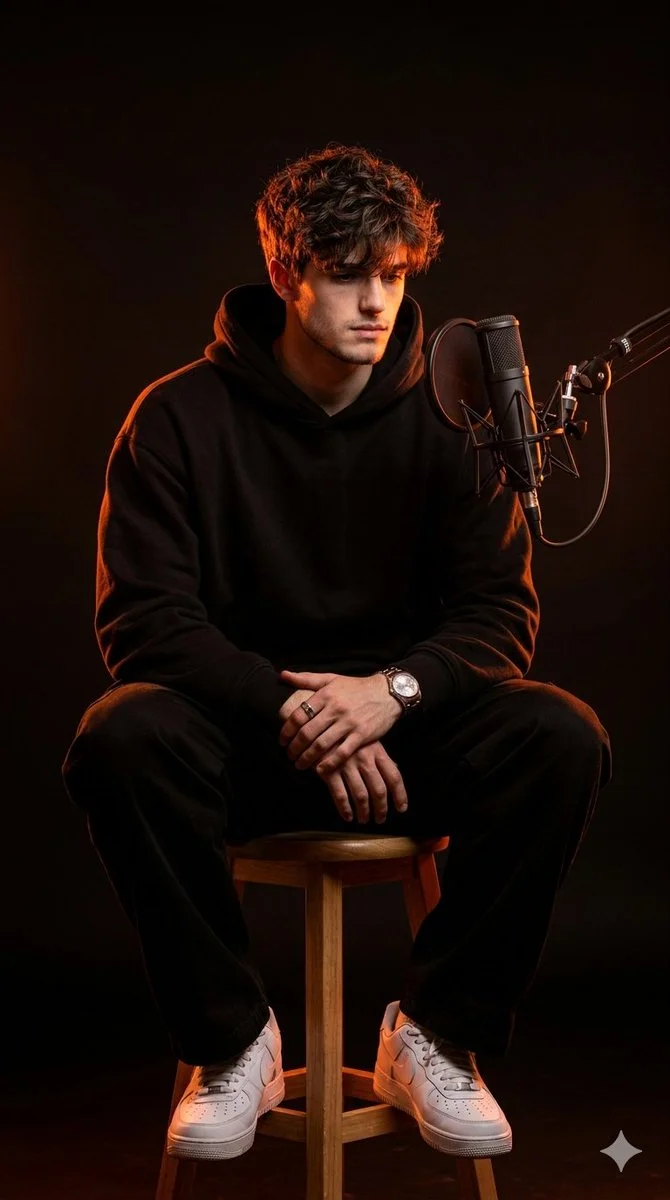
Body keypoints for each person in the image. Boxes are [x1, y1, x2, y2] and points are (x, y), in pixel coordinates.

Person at [61, 142, 611, 1165]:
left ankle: (437, 1035)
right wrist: (296, 710)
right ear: (284, 273)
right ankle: (232, 1041)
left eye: (395, 275)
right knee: (119, 736)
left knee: (557, 734)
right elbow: (142, 621)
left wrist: (388, 695)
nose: (376, 303)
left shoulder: (462, 422)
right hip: (241, 746)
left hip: (406, 746)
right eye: (349, 273)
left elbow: (499, 614)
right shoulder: (175, 417)